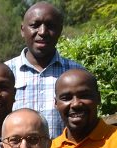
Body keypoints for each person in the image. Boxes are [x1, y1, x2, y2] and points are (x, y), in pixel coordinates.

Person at [5, 1, 85, 137]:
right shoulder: (6, 73)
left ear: (60, 30)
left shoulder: (76, 73)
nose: (42, 32)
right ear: (22, 30)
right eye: (35, 25)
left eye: (50, 26)